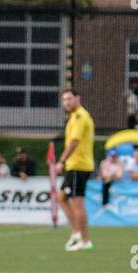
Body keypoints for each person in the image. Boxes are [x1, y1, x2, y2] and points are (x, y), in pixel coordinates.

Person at [55, 89, 94, 252]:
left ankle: (85, 241)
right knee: (62, 197)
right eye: (64, 100)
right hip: (74, 165)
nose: (67, 102)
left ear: (78, 98)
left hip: (78, 165)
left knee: (78, 204)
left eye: (69, 99)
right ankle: (76, 231)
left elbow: (74, 142)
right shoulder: (73, 117)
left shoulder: (80, 116)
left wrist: (61, 161)